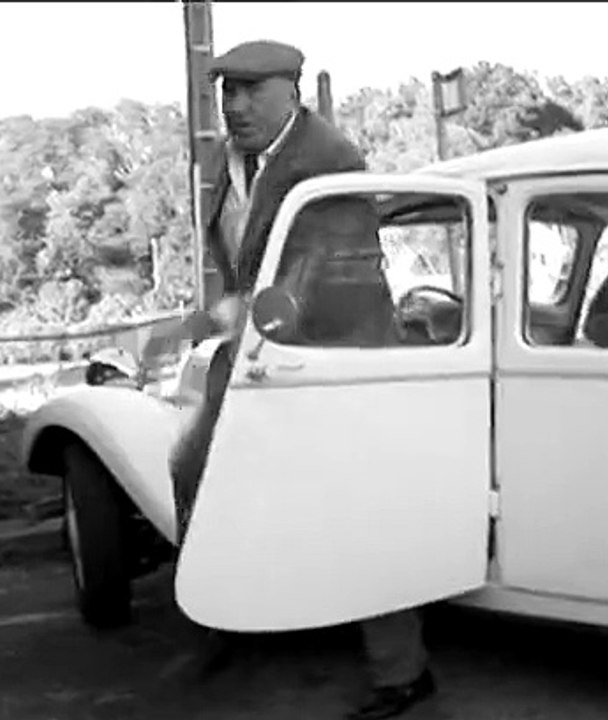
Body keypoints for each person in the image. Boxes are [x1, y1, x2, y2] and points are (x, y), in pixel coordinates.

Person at [142, 39, 435, 720]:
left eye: (251, 90)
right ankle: (222, 615)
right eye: (227, 92)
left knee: (361, 510)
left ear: (290, 91)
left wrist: (234, 325)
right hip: (255, 348)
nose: (235, 105)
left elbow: (327, 280)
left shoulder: (328, 161)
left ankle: (404, 671)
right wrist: (197, 327)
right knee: (193, 466)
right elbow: (235, 272)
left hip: (340, 356)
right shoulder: (220, 164)